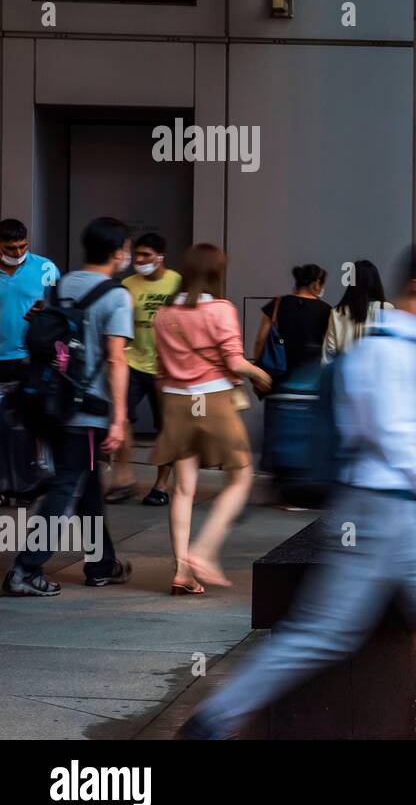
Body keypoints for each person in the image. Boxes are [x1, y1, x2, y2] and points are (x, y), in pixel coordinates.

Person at [179, 241, 416, 740]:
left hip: (395, 513)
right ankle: (217, 717)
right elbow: (395, 443)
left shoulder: (396, 347)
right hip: (379, 513)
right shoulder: (390, 352)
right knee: (327, 633)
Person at [2, 218, 134, 597]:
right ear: (116, 252)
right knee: (66, 489)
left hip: (49, 404)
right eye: (125, 248)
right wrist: (119, 419)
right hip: (86, 409)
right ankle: (26, 569)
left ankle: (101, 564)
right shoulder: (116, 295)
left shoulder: (61, 284)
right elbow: (116, 360)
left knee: (85, 484)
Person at [152, 244, 273, 592]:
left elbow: (160, 370)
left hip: (176, 402)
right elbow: (234, 362)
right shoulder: (221, 310)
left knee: (183, 489)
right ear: (217, 273)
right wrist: (261, 375)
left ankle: (181, 571)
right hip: (213, 400)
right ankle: (203, 551)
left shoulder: (163, 314)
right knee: (240, 478)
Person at [107, 232, 182, 506]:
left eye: (146, 256)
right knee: (121, 417)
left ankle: (161, 485)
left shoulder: (177, 282)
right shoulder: (127, 284)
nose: (139, 260)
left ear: (160, 256)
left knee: (167, 427)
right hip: (133, 362)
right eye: (136, 254)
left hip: (167, 367)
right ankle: (123, 477)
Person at [0, 218, 59, 384]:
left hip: (32, 354)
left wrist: (45, 309)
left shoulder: (47, 268)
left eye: (22, 246)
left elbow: (58, 309)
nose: (18, 253)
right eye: (10, 248)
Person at [253, 264, 331, 386]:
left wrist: (258, 374)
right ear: (316, 284)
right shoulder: (326, 310)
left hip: (277, 381)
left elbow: (260, 340)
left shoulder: (277, 304)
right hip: (312, 381)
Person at [322, 259, 392, 361]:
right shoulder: (386, 309)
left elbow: (329, 351)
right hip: (377, 372)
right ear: (376, 280)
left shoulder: (337, 312)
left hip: (344, 371)